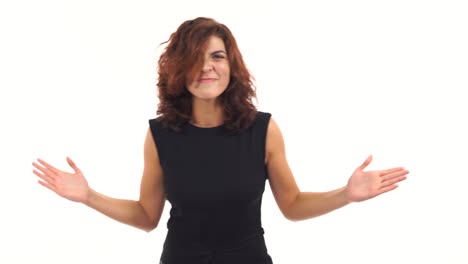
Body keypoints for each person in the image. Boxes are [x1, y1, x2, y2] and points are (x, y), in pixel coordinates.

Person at [32, 17, 409, 264]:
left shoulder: (263, 130)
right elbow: (147, 218)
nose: (207, 67)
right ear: (179, 70)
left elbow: (292, 205)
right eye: (195, 59)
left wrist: (346, 193)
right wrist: (89, 196)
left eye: (217, 56)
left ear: (231, 65)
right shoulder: (160, 135)